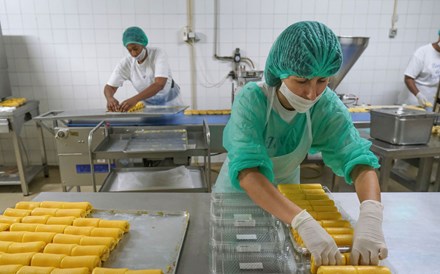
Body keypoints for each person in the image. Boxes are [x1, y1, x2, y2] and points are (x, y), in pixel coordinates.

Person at [214, 21, 388, 267]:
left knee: (285, 264)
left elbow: (357, 158)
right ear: (281, 72)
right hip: (238, 199)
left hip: (288, 200)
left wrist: (371, 216)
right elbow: (248, 171)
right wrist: (302, 221)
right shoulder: (253, 100)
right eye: (301, 80)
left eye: (322, 81)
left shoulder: (325, 106)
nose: (311, 93)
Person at [104, 26, 184, 112]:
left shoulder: (158, 54)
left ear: (143, 44)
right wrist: (110, 98)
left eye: (135, 49)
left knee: (174, 124)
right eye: (129, 50)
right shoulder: (126, 63)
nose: (133, 53)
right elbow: (110, 87)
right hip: (148, 105)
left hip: (170, 102)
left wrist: (135, 99)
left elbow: (159, 84)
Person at [397, 30, 440, 107]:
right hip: (414, 100)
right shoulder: (422, 53)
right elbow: (408, 78)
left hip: (432, 101)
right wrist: (419, 95)